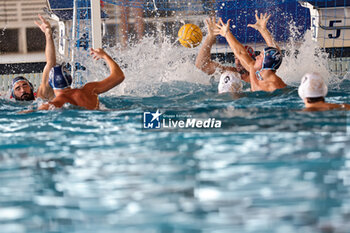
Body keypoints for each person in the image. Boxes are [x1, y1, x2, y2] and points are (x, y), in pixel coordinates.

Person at [214, 13, 287, 92]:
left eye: (260, 56)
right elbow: (241, 53)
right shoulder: (257, 70)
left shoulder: (274, 86)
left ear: (266, 62)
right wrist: (227, 33)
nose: (256, 57)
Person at [35, 48, 124, 111]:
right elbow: (119, 76)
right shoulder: (90, 89)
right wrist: (105, 56)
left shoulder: (52, 105)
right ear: (70, 79)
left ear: (50, 84)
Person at [195, 17, 255, 94]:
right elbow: (201, 65)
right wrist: (210, 37)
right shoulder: (231, 71)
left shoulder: (258, 75)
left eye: (240, 59)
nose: (237, 61)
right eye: (236, 58)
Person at [10, 14, 56, 101]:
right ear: (13, 94)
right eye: (17, 89)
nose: (23, 90)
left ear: (31, 88)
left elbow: (50, 63)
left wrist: (48, 34)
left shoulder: (41, 96)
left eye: (25, 86)